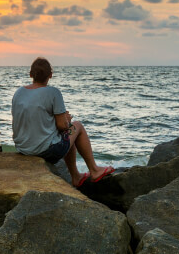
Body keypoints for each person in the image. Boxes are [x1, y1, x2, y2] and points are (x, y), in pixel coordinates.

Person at [11, 57, 113, 187]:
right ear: (51, 75)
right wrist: (67, 121)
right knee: (78, 126)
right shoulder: (53, 92)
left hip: (23, 148)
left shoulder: (19, 92)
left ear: (31, 74)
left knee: (67, 137)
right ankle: (94, 170)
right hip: (43, 151)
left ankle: (75, 175)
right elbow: (62, 126)